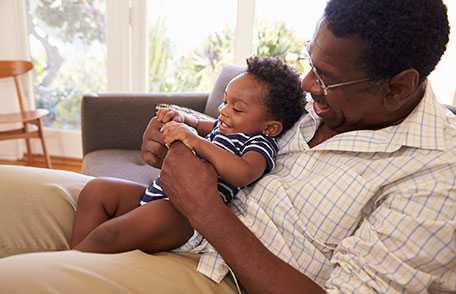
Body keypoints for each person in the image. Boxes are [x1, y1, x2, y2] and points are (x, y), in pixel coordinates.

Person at [0, 0, 454, 293]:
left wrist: (204, 210)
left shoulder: (435, 177)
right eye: (310, 62)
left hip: (216, 273)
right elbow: (239, 128)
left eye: (328, 78)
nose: (307, 83)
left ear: (399, 87)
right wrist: (170, 136)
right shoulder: (324, 106)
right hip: (187, 221)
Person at [70, 56, 305, 254]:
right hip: (157, 194)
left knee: (110, 235)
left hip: (183, 216)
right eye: (224, 101)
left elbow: (243, 173)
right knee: (96, 191)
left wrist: (194, 140)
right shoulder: (222, 126)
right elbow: (198, 123)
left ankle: (71, 265)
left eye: (237, 108)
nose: (223, 111)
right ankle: (72, 257)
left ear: (270, 127)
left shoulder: (259, 142)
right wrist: (181, 119)